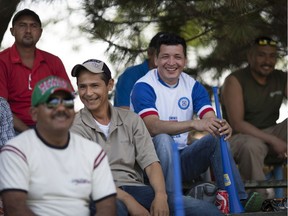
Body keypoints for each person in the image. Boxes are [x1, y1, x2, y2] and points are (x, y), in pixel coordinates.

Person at [130, 32, 262, 212]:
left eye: (177, 57)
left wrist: (220, 125)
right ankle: (169, 202)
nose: (171, 62)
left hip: (182, 160)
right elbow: (152, 126)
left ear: (185, 60)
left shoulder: (192, 86)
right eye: (165, 57)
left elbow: (208, 117)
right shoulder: (144, 86)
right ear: (155, 59)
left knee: (215, 138)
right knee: (163, 139)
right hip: (149, 166)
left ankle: (237, 200)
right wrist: (193, 124)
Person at [0, 76, 116, 216]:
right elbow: (15, 209)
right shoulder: (16, 151)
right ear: (34, 114)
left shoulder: (93, 152)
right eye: (52, 102)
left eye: (67, 102)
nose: (61, 108)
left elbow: (107, 206)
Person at [70, 59, 172, 216]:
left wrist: (160, 196)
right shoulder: (74, 127)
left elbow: (151, 164)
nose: (88, 93)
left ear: (110, 85)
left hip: (136, 188)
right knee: (117, 208)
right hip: (98, 192)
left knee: (198, 209)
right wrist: (130, 202)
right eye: (82, 86)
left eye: (95, 85)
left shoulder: (131, 119)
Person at [221, 36, 287, 199]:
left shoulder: (281, 77)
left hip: (271, 133)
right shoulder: (235, 80)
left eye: (272, 56)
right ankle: (259, 201)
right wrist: (275, 141)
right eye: (262, 55)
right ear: (250, 56)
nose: (267, 61)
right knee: (251, 146)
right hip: (239, 137)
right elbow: (237, 124)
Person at [0, 8, 73, 134]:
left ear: (40, 32)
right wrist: (30, 134)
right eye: (22, 25)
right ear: (12, 31)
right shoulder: (2, 61)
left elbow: (66, 100)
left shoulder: (53, 61)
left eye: (33, 26)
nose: (28, 31)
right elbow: (1, 108)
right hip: (12, 128)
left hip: (50, 126)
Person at [114, 32, 164, 109]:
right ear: (150, 53)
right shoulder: (130, 76)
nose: (169, 61)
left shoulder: (178, 78)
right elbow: (124, 113)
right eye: (163, 55)